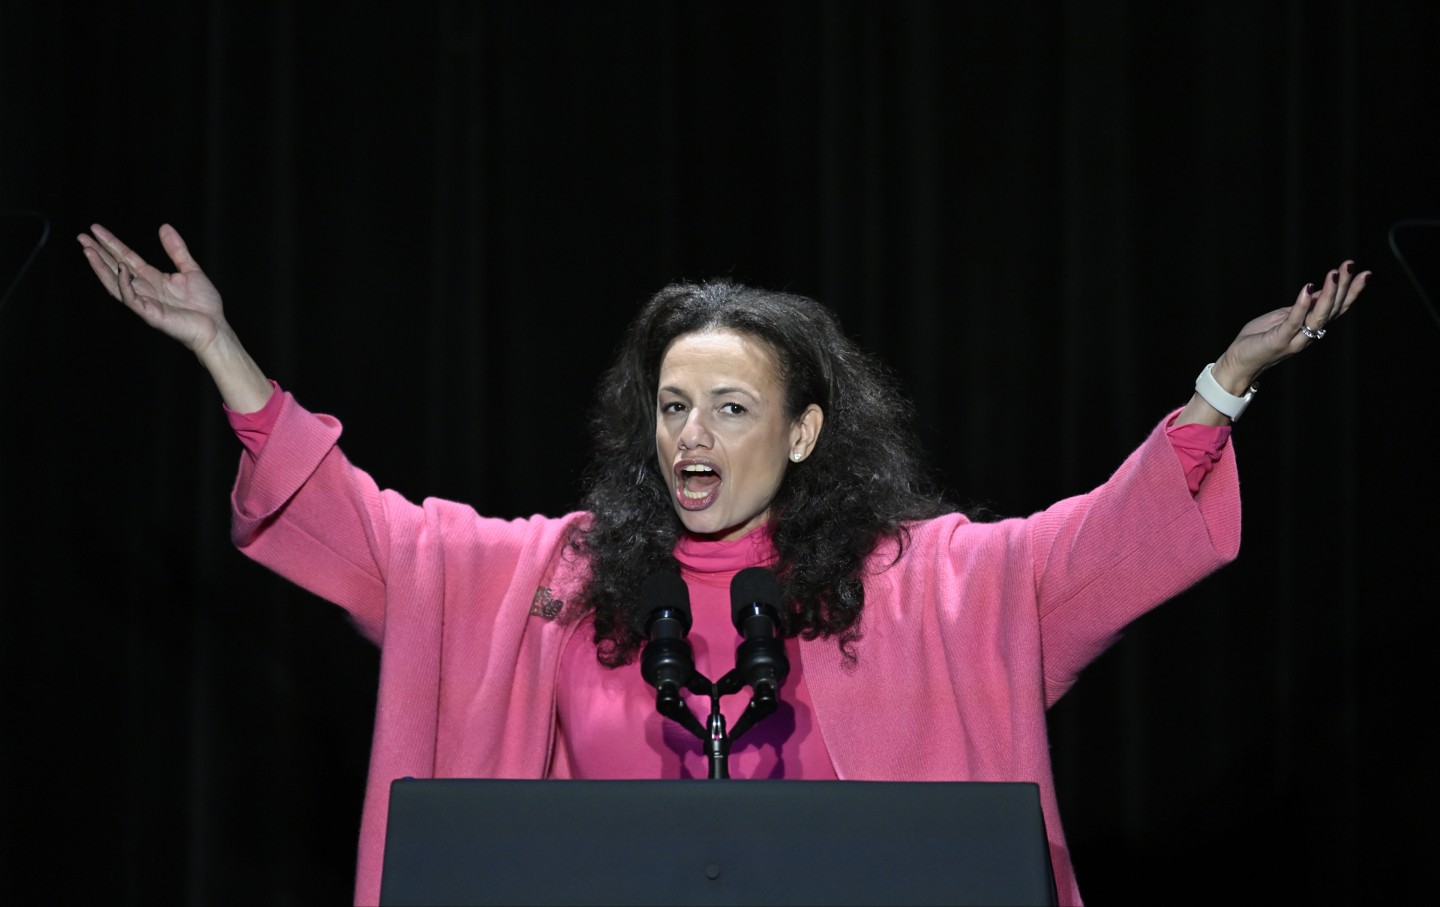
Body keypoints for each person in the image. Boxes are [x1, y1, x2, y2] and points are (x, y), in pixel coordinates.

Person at [78, 222, 1365, 906]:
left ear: (804, 432)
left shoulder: (925, 582)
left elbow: (1099, 543)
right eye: (673, 405)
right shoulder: (553, 581)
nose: (691, 437)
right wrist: (220, 351)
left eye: (731, 409)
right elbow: (365, 530)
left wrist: (1224, 385)